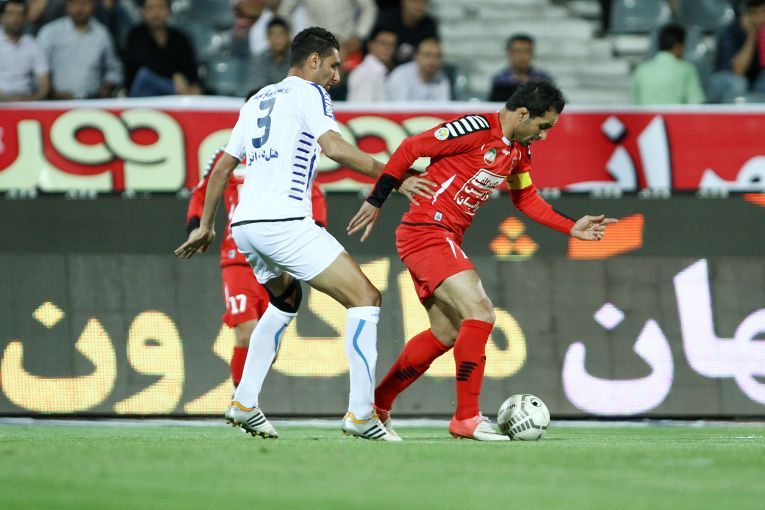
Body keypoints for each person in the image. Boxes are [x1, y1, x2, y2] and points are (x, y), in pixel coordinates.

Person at [175, 26, 431, 441]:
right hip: (284, 222)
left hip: (245, 229)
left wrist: (206, 225)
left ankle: (244, 400)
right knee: (365, 298)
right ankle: (362, 414)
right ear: (313, 61)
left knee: (286, 299)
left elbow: (222, 167)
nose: (336, 76)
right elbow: (336, 149)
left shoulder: (257, 99)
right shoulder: (311, 93)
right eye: (333, 65)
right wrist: (396, 178)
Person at [348, 81, 617, 441]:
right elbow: (412, 147)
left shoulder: (519, 152)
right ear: (523, 114)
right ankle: (467, 418)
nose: (544, 136)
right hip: (427, 230)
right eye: (543, 126)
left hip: (443, 237)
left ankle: (376, 407)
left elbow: (526, 199)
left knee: (446, 332)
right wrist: (377, 199)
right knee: (481, 312)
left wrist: (571, 227)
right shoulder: (474, 129)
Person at [185, 137, 327, 391]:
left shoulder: (290, 149)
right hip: (238, 258)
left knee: (268, 345)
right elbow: (203, 191)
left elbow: (312, 193)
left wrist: (314, 235)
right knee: (246, 333)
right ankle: (241, 401)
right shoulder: (230, 152)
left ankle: (246, 398)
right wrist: (196, 227)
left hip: (278, 258)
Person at [36, 0, 121, 99]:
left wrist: (107, 88)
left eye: (84, 4)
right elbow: (38, 68)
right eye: (74, 4)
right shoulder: (50, 32)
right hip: (56, 102)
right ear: (66, 6)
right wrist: (51, 92)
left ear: (93, 5)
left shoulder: (102, 34)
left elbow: (114, 69)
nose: (79, 9)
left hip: (93, 101)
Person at [123, 0, 201, 97]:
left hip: (172, 95)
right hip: (142, 97)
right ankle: (182, 94)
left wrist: (194, 84)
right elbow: (148, 59)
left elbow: (190, 68)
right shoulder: (135, 36)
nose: (156, 13)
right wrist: (174, 75)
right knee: (145, 74)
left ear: (169, 11)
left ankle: (183, 93)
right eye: (150, 8)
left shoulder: (180, 38)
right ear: (142, 12)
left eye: (160, 7)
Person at [631, 23, 705, 105]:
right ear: (677, 46)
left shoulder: (641, 70)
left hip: (646, 114)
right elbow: (696, 104)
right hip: (677, 114)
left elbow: (634, 105)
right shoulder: (686, 69)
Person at [709, 0, 765, 103]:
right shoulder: (732, 31)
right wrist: (752, 35)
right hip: (725, 79)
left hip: (754, 81)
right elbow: (738, 71)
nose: (761, 18)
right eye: (755, 13)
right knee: (739, 83)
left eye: (764, 12)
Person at [0, 0, 50, 101]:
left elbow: (44, 81)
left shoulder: (33, 44)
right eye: (10, 13)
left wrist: (34, 99)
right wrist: (9, 100)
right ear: (1, 17)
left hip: (27, 100)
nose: (15, 18)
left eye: (20, 14)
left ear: (26, 18)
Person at [488, 33, 553, 102]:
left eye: (526, 51)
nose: (522, 56)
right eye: (518, 51)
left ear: (532, 54)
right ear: (509, 54)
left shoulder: (543, 80)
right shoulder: (500, 81)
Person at [384, 37, 449, 101]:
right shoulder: (400, 76)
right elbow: (398, 107)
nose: (433, 60)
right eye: (427, 55)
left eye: (438, 56)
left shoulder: (442, 78)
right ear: (416, 56)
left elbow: (443, 105)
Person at [377, 0, 438, 65]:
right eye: (415, 1)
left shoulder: (429, 25)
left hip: (412, 68)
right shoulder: (387, 19)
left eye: (424, 2)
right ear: (403, 2)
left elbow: (432, 50)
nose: (419, 5)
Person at [346, 24, 397, 102]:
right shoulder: (366, 73)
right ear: (371, 45)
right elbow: (362, 107)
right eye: (383, 43)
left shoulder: (379, 71)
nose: (388, 48)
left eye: (392, 44)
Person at [248, 16, 291, 94]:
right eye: (273, 34)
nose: (277, 39)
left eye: (280, 34)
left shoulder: (297, 59)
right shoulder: (260, 60)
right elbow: (257, 89)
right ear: (267, 37)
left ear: (287, 36)